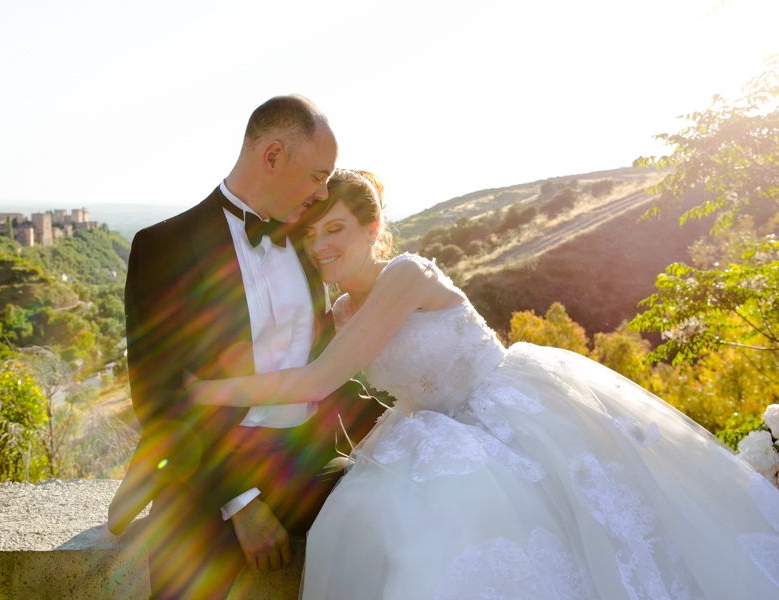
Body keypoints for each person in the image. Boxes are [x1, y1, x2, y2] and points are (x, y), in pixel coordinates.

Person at [185, 169, 779, 599]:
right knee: (367, 516)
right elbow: (318, 385)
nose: (320, 246)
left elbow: (317, 377)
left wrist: (206, 391)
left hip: (514, 409)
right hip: (432, 428)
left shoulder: (407, 274)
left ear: (372, 228)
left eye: (334, 229)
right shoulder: (340, 310)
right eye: (311, 235)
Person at [107, 98, 384, 599]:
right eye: (317, 176)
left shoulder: (305, 239)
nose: (323, 192)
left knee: (404, 523)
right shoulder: (165, 247)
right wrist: (242, 502)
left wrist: (407, 423)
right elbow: (160, 394)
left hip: (306, 464)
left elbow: (325, 369)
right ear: (273, 156)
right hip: (208, 470)